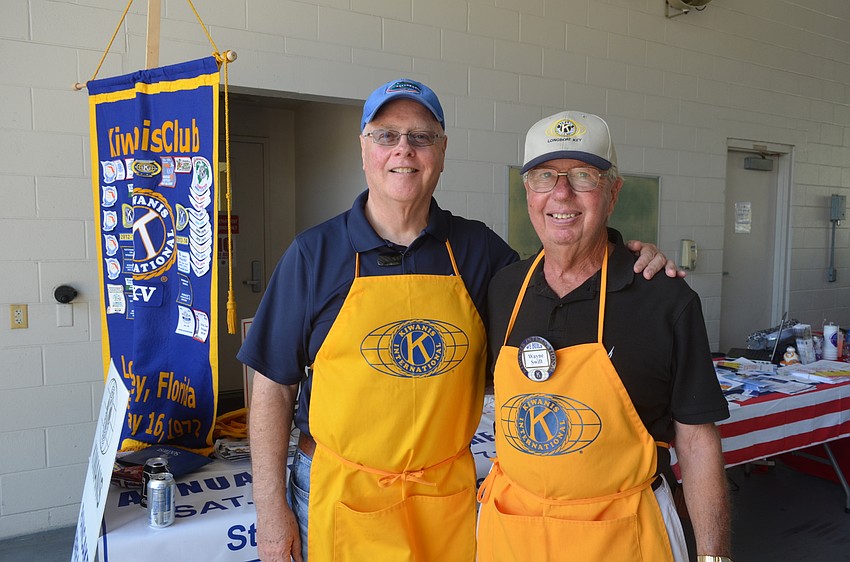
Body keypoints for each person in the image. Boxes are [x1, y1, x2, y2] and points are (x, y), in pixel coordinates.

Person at [238, 80, 677, 562]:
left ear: (442, 152)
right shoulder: (313, 254)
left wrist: (625, 256)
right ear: (364, 148)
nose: (403, 150)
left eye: (421, 137)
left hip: (444, 497)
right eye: (387, 135)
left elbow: (563, 282)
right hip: (337, 491)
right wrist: (271, 513)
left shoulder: (478, 251)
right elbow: (271, 388)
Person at [477, 110, 732, 562]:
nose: (561, 193)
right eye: (544, 177)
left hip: (625, 539)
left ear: (613, 193)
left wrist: (715, 557)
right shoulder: (503, 288)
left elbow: (696, 441)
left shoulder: (665, 299)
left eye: (582, 175)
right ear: (527, 192)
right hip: (512, 535)